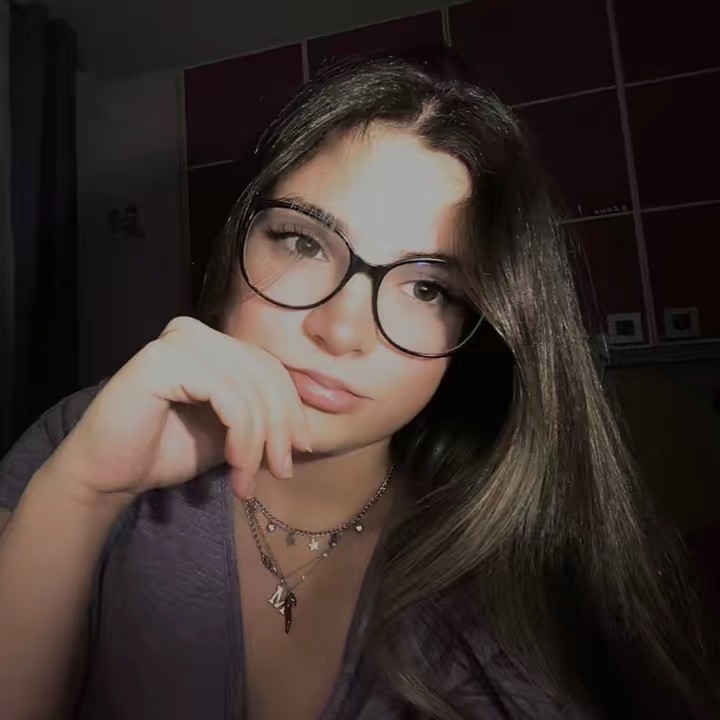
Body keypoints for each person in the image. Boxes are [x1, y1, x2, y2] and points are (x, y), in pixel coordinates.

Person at [0, 49, 717, 720]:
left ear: (477, 333)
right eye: (303, 242)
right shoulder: (88, 438)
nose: (341, 331)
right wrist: (82, 492)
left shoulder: (527, 567)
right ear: (235, 242)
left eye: (427, 288)